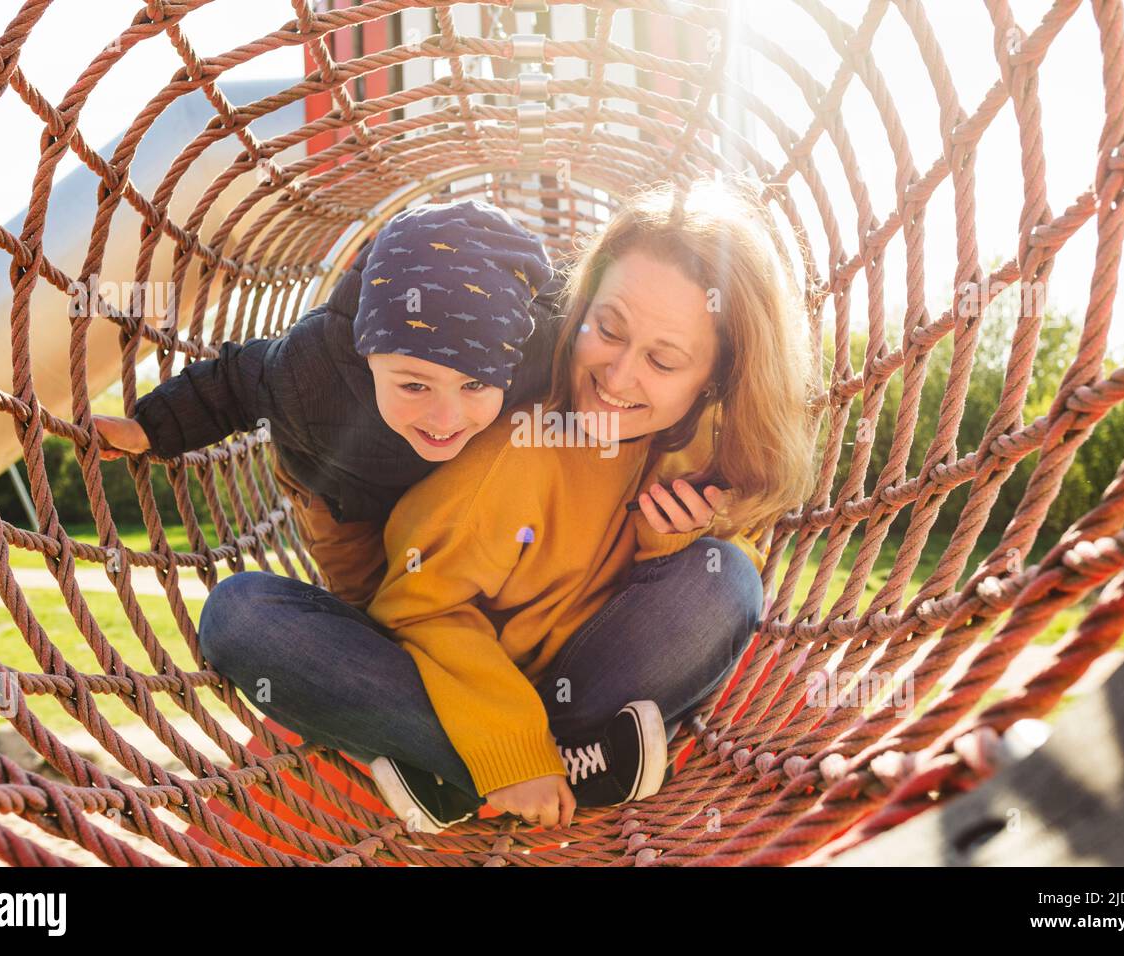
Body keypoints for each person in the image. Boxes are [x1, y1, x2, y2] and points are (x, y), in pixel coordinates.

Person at [197, 178, 821, 833]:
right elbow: (417, 605)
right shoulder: (516, 447)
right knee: (240, 616)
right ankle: (517, 764)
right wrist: (512, 745)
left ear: (716, 379)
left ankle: (460, 775)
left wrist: (668, 552)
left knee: (726, 579)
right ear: (579, 309)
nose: (617, 376)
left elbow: (713, 584)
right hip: (452, 679)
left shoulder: (707, 451)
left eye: (663, 362)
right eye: (606, 329)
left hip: (588, 681)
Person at [92, 198, 561, 606]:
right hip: (335, 487)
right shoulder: (305, 370)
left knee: (462, 579)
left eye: (474, 386)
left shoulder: (532, 353)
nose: (445, 416)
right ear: (367, 351)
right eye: (414, 386)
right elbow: (230, 382)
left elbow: (576, 311)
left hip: (437, 478)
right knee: (370, 601)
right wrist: (145, 430)